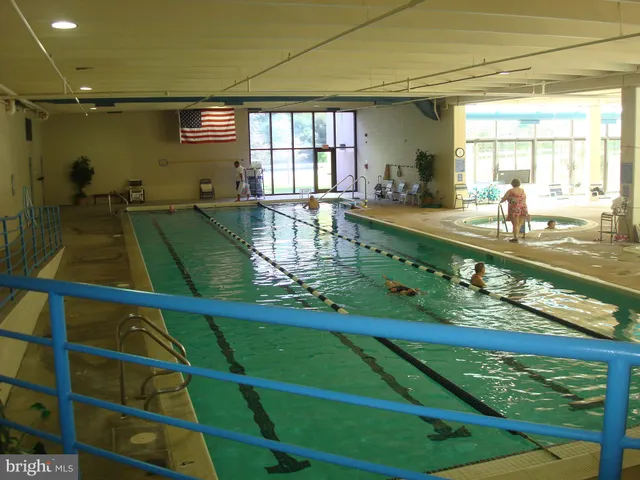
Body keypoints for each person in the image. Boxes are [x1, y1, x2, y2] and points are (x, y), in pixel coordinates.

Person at [500, 179, 529, 243]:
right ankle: (516, 236)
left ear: (512, 184)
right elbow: (524, 199)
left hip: (514, 209)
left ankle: (515, 238)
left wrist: (500, 202)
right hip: (523, 207)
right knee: (519, 224)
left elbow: (504, 198)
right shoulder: (522, 191)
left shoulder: (510, 191)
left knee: (515, 224)